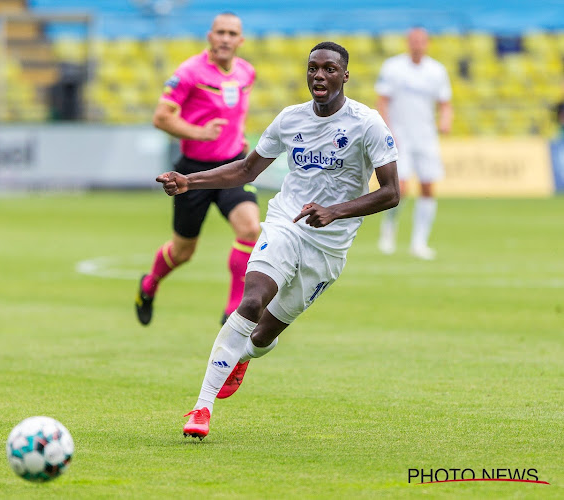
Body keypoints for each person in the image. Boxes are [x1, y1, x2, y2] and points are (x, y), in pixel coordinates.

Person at [156, 41, 400, 439]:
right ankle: (201, 408)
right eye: (312, 69)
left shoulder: (367, 123)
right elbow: (248, 169)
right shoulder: (290, 119)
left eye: (328, 69)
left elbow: (391, 192)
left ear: (345, 76)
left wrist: (335, 211)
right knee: (250, 300)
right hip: (286, 222)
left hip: (329, 247)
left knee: (262, 335)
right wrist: (190, 181)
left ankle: (242, 357)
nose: (319, 76)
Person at [135, 12, 261, 327]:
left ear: (240, 40)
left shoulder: (247, 72)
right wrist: (199, 132)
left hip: (233, 167)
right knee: (183, 251)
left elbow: (237, 112)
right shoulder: (190, 72)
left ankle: (233, 311)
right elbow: (161, 117)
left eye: (232, 33)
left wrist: (238, 136)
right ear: (210, 36)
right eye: (220, 32)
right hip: (192, 175)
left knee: (250, 228)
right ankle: (149, 285)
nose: (226, 39)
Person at [375, 27, 453, 260]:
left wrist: (446, 121)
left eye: (422, 41)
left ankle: (420, 242)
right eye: (414, 41)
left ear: (427, 43)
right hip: (400, 135)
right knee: (402, 188)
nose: (417, 45)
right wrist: (387, 129)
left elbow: (445, 103)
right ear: (408, 42)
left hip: (426, 136)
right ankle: (388, 232)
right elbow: (382, 101)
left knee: (428, 187)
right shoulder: (393, 67)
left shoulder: (437, 70)